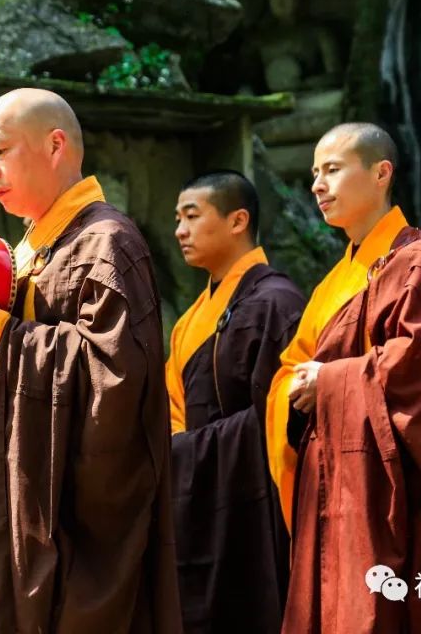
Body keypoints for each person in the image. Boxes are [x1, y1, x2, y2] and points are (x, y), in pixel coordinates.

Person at [0, 88, 181, 632]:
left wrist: (5, 339)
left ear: (55, 146)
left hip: (65, 521)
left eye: (0, 151)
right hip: (8, 492)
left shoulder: (107, 244)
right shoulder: (28, 252)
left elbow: (116, 379)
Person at [264, 123, 421, 632]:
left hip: (393, 488)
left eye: (332, 170)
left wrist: (331, 383)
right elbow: (292, 371)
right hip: (334, 478)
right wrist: (298, 388)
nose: (316, 185)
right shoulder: (333, 283)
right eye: (314, 172)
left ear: (381, 173)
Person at [167, 171, 304, 632]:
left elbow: (285, 413)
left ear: (237, 220)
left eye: (191, 216)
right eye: (177, 219)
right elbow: (172, 411)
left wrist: (192, 447)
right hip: (195, 494)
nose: (179, 231)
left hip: (256, 501)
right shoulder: (188, 322)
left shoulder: (276, 302)